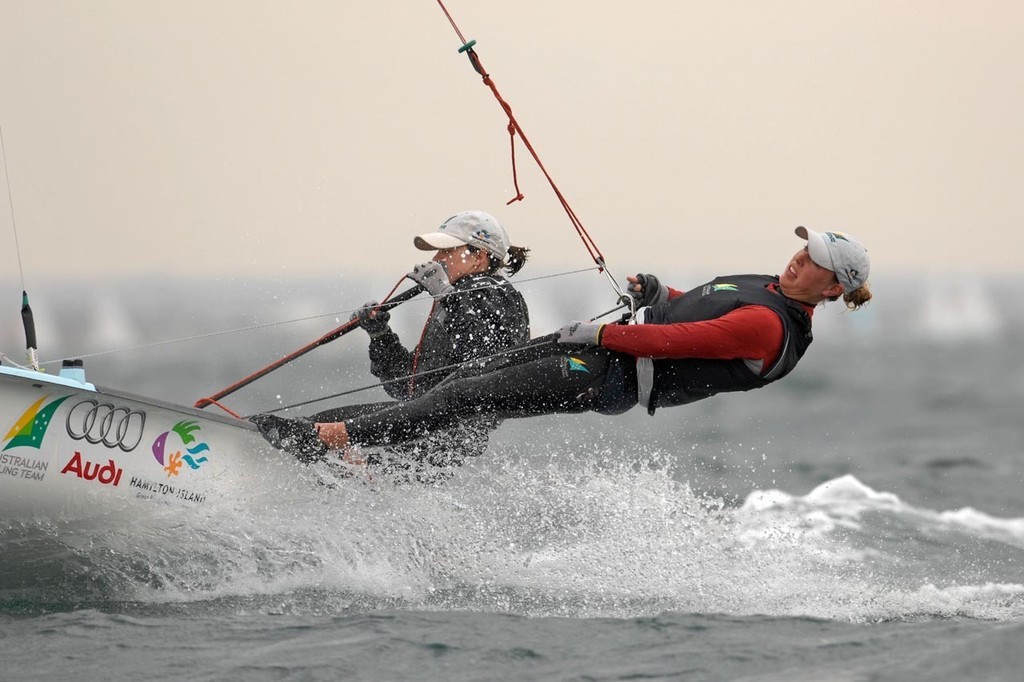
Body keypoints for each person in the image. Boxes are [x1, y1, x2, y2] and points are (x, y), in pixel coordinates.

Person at [253, 225, 870, 462]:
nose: (798, 258)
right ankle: (338, 437)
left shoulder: (771, 327)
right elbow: (687, 306)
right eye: (802, 247)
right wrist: (658, 289)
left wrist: (603, 331)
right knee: (459, 387)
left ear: (834, 287)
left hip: (607, 374)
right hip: (600, 350)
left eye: (813, 260)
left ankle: (332, 440)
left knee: (471, 391)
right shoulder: (763, 285)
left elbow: (682, 339)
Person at [302, 210, 531, 480]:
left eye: (446, 252)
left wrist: (447, 295)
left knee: (317, 431)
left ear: (479, 256)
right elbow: (408, 386)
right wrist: (380, 335)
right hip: (425, 423)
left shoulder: (494, 292)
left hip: (447, 433)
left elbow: (484, 363)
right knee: (319, 427)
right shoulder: (459, 297)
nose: (435, 260)